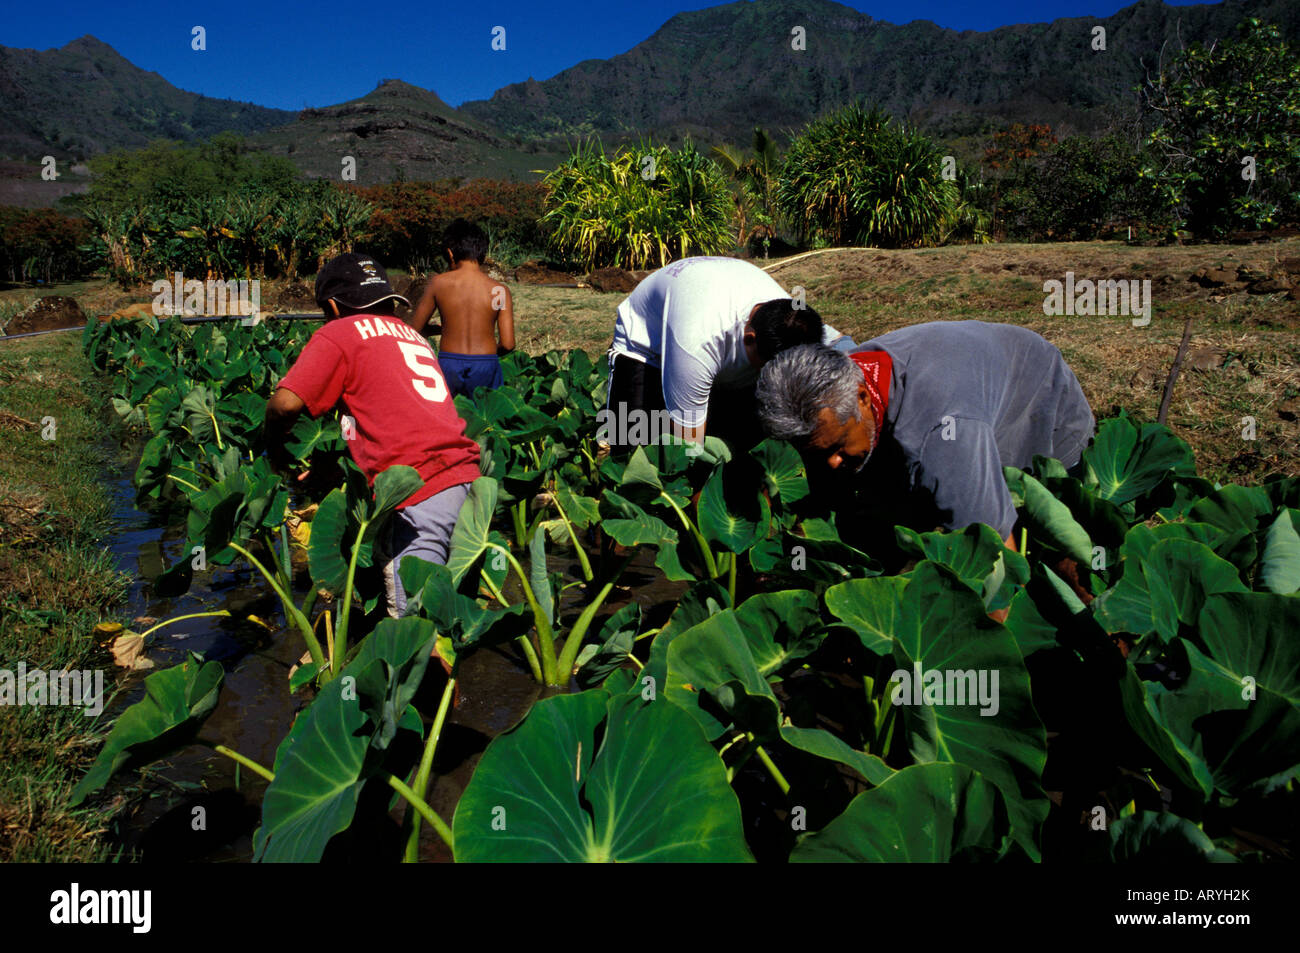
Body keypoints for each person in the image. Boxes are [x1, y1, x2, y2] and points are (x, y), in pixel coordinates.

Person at [754, 320, 1096, 556]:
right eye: (816, 454)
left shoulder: (942, 434)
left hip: (1038, 399)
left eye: (838, 447)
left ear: (862, 397)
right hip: (971, 383)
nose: (831, 462)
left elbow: (993, 557)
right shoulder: (843, 377)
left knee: (1047, 544)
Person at [264, 252, 482, 617]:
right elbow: (400, 421)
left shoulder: (339, 332)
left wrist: (274, 450)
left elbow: (284, 405)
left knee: (413, 636)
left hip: (418, 496)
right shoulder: (412, 336)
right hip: (466, 485)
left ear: (332, 306)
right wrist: (339, 470)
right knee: (450, 618)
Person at [605, 255, 854, 448]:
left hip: (722, 291)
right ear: (749, 338)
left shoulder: (792, 318)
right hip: (646, 344)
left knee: (740, 444)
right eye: (767, 366)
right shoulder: (697, 342)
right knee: (631, 442)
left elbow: (844, 347)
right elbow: (688, 443)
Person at [408, 219, 515, 398]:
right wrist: (484, 355)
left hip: (449, 363)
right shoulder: (499, 290)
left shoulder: (439, 284)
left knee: (448, 417)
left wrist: (441, 329)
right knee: (485, 419)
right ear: (482, 253)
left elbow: (415, 330)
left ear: (450, 253)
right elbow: (508, 343)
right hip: (485, 364)